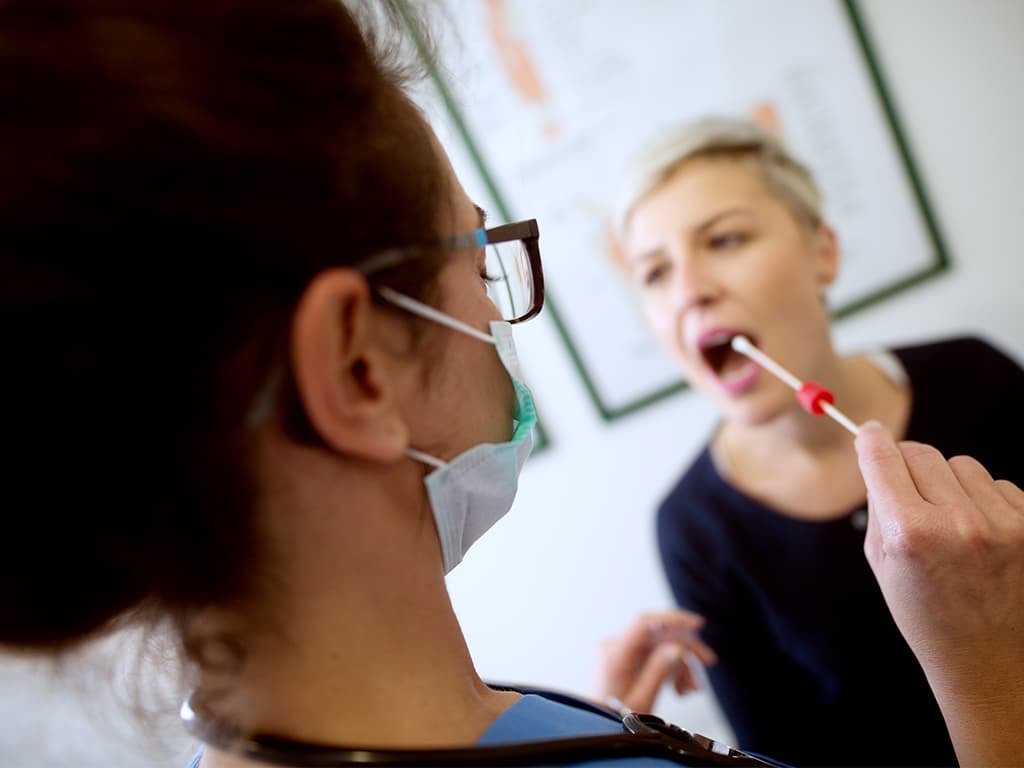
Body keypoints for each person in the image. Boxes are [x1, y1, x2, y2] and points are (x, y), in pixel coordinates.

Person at [1, 5, 1021, 768]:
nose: (497, 311)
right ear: (357, 368)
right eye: (481, 254)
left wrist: (598, 737)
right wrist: (991, 678)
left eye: (725, 239)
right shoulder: (693, 528)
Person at [597, 116, 1024, 766]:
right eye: (654, 274)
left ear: (823, 251)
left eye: (725, 238)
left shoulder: (977, 374)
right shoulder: (693, 527)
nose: (689, 291)